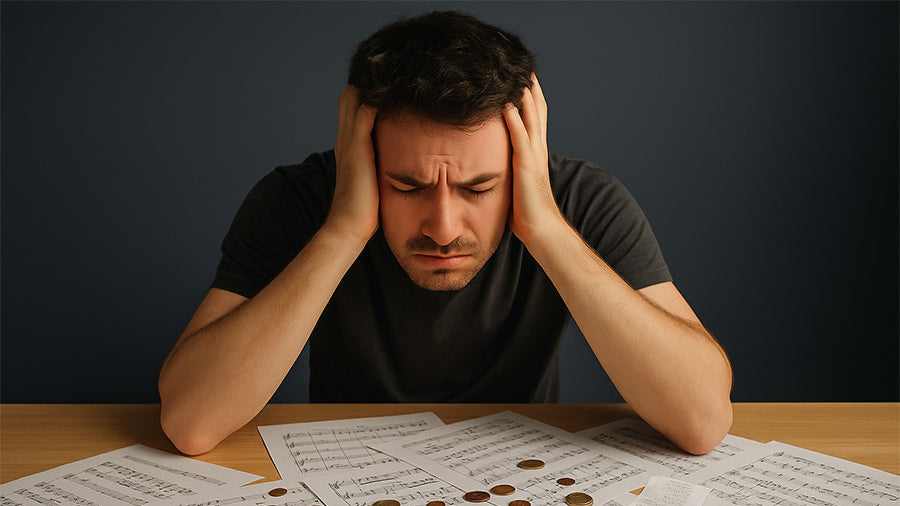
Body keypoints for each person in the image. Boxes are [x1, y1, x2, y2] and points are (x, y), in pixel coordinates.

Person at [158, 11, 732, 457]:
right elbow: (190, 422)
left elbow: (703, 420)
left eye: (479, 188)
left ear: (522, 156)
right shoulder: (299, 200)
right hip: (344, 475)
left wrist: (546, 229)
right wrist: (343, 229)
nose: (443, 227)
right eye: (406, 186)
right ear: (360, 154)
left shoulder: (580, 199)